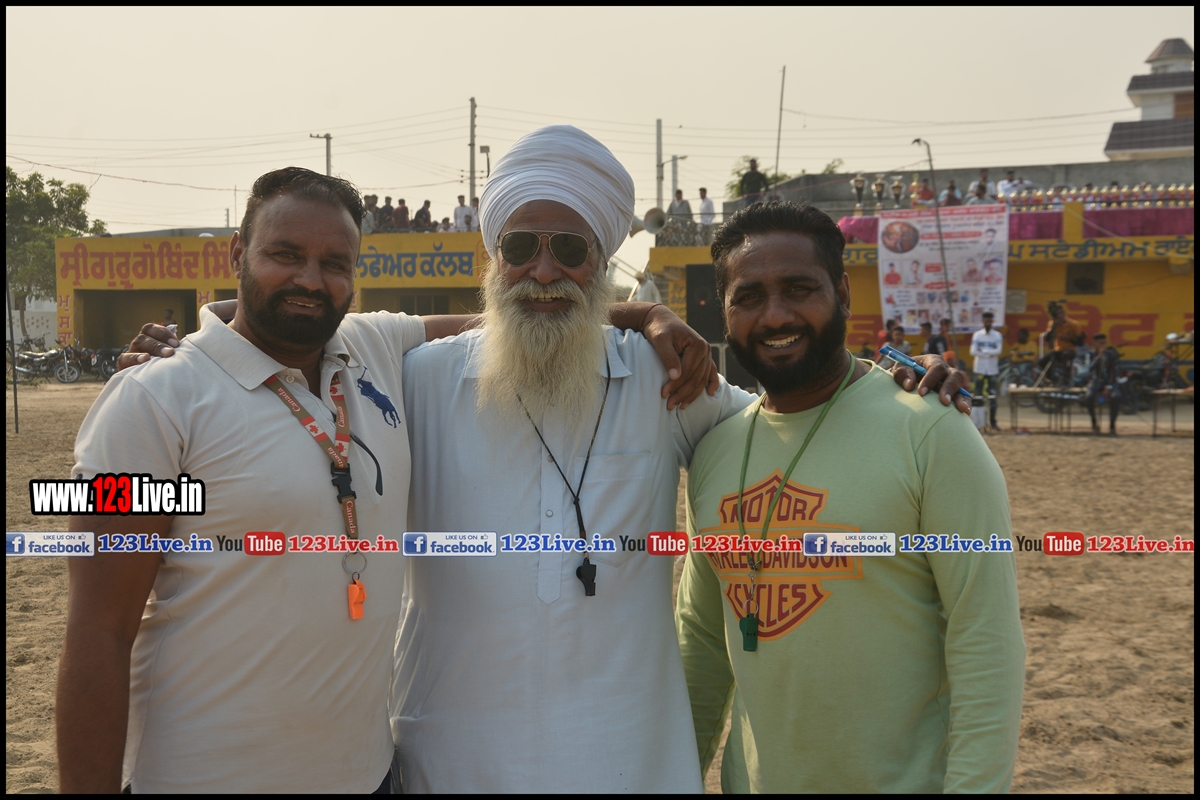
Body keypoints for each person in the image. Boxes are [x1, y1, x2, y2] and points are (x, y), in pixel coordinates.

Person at [94, 165, 728, 793]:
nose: (309, 279)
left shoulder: (369, 352)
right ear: (238, 253)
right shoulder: (153, 399)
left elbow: (528, 315)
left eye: (334, 263)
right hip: (198, 776)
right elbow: (97, 629)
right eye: (284, 254)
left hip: (361, 776)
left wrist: (647, 314)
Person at [394, 128, 969, 793]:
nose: (544, 271)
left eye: (571, 250)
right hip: (450, 758)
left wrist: (896, 378)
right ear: (493, 259)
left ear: (601, 261)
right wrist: (646, 310)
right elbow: (294, 334)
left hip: (625, 760)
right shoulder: (415, 382)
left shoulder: (661, 377)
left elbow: (796, 412)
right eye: (520, 248)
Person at [677, 200, 1023, 793]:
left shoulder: (931, 430)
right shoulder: (714, 451)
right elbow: (703, 643)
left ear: (842, 294)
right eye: (749, 297)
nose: (775, 315)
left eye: (799, 289)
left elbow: (985, 638)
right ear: (725, 313)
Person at [970, 311, 1003, 431]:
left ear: (992, 321)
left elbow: (999, 351)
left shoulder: (997, 335)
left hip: (992, 370)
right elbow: (973, 351)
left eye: (989, 321)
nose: (988, 323)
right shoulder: (977, 335)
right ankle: (979, 424)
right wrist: (990, 352)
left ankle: (993, 423)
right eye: (986, 321)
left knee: (993, 397)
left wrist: (983, 351)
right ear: (983, 321)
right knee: (978, 397)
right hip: (979, 369)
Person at [1084, 332, 1121, 435]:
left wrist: (1109, 387)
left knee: (1116, 397)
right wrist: (1098, 357)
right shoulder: (1090, 355)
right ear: (1095, 344)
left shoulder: (1111, 355)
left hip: (1110, 382)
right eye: (1100, 343)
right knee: (1089, 397)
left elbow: (1114, 372)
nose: (1103, 345)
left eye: (1104, 343)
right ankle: (1094, 421)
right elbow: (1088, 369)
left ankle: (1112, 425)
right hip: (1095, 381)